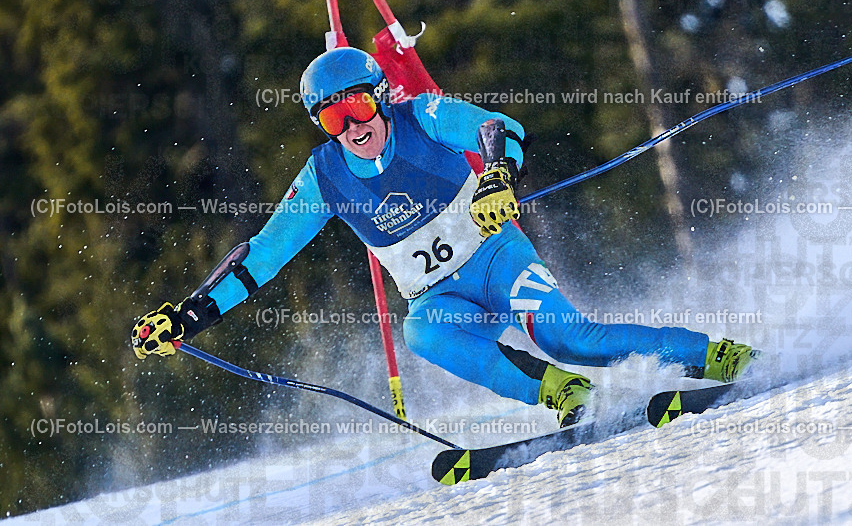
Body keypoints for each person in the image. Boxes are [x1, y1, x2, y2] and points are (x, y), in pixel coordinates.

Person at [131, 47, 758, 427]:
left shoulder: (421, 118)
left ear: (379, 99)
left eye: (358, 108)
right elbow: (259, 259)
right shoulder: (323, 177)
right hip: (438, 297)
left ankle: (714, 355)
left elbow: (497, 128)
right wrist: (190, 316)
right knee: (420, 331)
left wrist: (498, 177)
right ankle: (564, 397)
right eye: (332, 117)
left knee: (572, 337)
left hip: (496, 260)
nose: (351, 127)